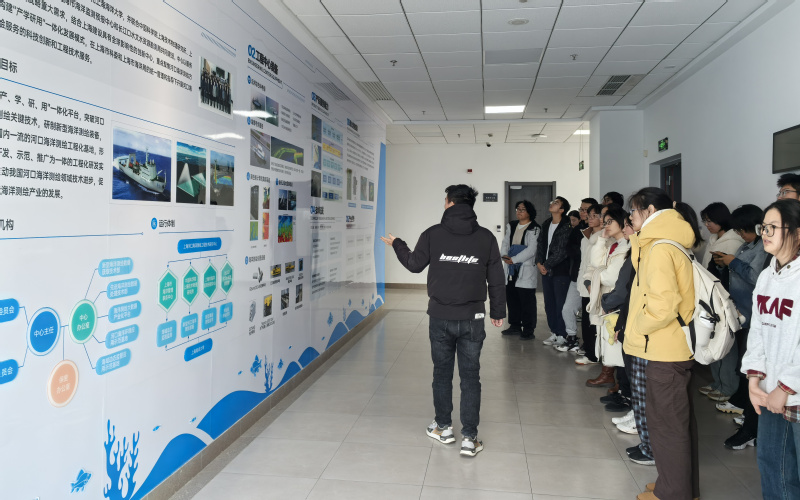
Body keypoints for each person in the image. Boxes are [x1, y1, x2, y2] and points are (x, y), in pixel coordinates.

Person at [380, 184, 505, 457]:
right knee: (471, 376)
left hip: (440, 317)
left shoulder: (433, 234)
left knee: (442, 373)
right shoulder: (486, 237)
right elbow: (496, 278)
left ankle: (444, 428)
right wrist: (498, 312)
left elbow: (414, 264)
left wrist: (397, 244)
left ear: (449, 203)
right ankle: (470, 438)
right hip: (473, 318)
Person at [625, 187, 704, 500]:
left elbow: (662, 305)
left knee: (666, 426)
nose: (629, 216)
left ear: (649, 210)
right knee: (676, 423)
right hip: (670, 346)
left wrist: (637, 327)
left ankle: (672, 493)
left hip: (663, 349)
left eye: (633, 210)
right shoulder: (667, 241)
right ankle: (679, 486)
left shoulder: (660, 248)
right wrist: (636, 239)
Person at [741, 199, 800, 498]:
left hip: (792, 392)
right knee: (772, 466)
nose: (764, 233)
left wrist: (786, 387)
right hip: (769, 391)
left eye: (772, 227)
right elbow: (758, 332)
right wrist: (754, 380)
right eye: (763, 227)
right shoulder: (766, 276)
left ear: (797, 233)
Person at [711, 204, 768, 449]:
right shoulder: (747, 246)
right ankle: (747, 410)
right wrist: (723, 263)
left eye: (742, 230)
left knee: (749, 366)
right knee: (744, 362)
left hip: (754, 314)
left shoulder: (764, 249)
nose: (741, 235)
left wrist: (733, 262)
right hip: (741, 312)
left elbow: (755, 277)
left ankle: (750, 418)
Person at [698, 202, 744, 403]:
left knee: (726, 343)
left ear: (721, 219)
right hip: (710, 297)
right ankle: (717, 382)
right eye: (705, 221)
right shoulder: (714, 239)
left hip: (724, 298)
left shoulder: (732, 241)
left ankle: (728, 386)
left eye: (710, 220)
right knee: (712, 339)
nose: (707, 225)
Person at [585, 206, 630, 389]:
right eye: (605, 222)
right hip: (606, 295)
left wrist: (594, 277)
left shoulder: (628, 246)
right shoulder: (613, 244)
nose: (606, 225)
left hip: (616, 297)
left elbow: (610, 277)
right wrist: (602, 239)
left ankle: (621, 384)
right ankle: (609, 375)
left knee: (614, 339)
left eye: (610, 221)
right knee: (607, 337)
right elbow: (595, 263)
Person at [557, 198, 597, 354]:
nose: (582, 212)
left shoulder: (599, 233)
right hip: (577, 275)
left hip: (592, 279)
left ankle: (590, 347)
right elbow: (569, 249)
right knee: (567, 309)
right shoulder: (578, 230)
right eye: (581, 209)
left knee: (589, 315)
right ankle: (572, 337)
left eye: (586, 210)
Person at [500, 200, 540, 340]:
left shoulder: (534, 228)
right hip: (511, 267)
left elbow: (532, 249)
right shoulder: (512, 225)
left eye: (522, 209)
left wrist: (515, 259)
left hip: (525, 266)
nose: (519, 212)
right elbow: (505, 242)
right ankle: (515, 325)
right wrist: (504, 255)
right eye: (518, 209)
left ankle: (528, 329)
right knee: (512, 297)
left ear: (529, 212)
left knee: (527, 300)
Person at [537, 197, 573, 347]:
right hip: (545, 269)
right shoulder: (546, 223)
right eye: (552, 202)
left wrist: (546, 264)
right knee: (549, 303)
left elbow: (561, 251)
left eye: (556, 203)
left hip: (560, 270)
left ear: (562, 210)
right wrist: (539, 263)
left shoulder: (567, 225)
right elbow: (540, 245)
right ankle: (554, 332)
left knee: (560, 304)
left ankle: (562, 334)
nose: (552, 204)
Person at [573, 204, 605, 365]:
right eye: (589, 215)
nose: (590, 218)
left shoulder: (605, 237)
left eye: (594, 216)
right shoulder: (585, 236)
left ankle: (593, 354)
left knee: (593, 321)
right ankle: (589, 350)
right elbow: (583, 263)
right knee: (586, 320)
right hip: (584, 281)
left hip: (596, 284)